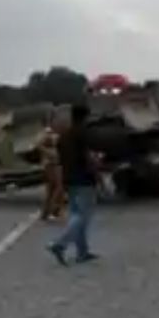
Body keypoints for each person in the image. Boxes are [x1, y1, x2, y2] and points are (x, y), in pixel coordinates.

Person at [48, 102, 100, 265]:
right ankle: (60, 244)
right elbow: (88, 157)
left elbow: (60, 159)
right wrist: (97, 169)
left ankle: (82, 252)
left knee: (76, 214)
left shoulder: (64, 136)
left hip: (69, 179)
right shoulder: (84, 134)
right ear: (86, 116)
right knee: (83, 216)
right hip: (84, 178)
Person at [36, 113, 65, 221]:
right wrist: (50, 154)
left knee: (51, 189)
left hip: (55, 162)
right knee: (59, 186)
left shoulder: (55, 132)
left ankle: (45, 213)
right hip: (51, 163)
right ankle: (53, 209)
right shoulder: (47, 133)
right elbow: (39, 145)